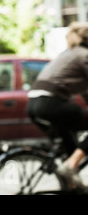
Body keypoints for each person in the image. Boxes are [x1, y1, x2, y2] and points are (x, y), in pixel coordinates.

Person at [27, 22, 88, 189]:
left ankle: (70, 186)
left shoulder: (68, 54)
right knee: (73, 157)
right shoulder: (84, 55)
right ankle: (71, 165)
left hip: (34, 103)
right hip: (50, 103)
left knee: (69, 142)